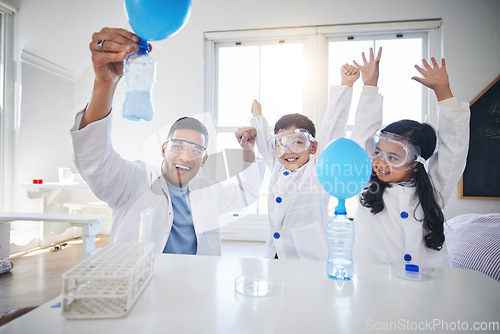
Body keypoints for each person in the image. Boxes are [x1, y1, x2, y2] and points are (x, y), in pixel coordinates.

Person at [71, 27, 261, 255]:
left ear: (204, 159)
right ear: (164, 148)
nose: (185, 156)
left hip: (196, 286)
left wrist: (248, 150)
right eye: (178, 146)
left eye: (196, 150)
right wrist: (105, 84)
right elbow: (96, 162)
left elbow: (247, 192)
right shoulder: (136, 181)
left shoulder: (207, 192)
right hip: (142, 286)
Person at [238, 58, 383, 260]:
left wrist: (346, 85)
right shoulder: (279, 167)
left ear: (313, 146)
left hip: (309, 259)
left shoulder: (318, 171)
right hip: (274, 256)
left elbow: (333, 125)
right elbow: (264, 144)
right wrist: (258, 117)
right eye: (281, 144)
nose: (288, 151)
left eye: (297, 142)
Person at [352, 56, 470, 268]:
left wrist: (443, 92)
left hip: (426, 287)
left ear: (416, 163)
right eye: (378, 152)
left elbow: (454, 150)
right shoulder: (368, 184)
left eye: (394, 157)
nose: (381, 162)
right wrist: (369, 86)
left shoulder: (434, 188)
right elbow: (362, 136)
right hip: (374, 287)